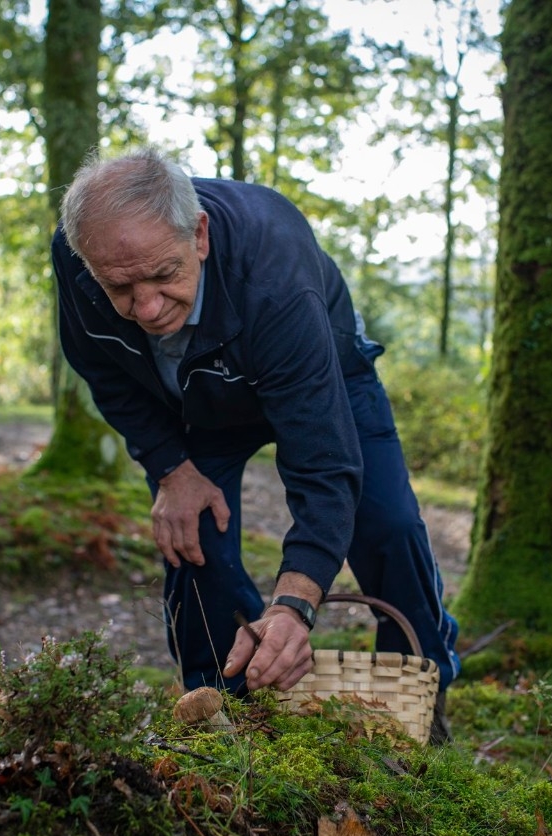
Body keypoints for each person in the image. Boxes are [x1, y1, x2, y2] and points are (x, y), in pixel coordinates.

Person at [51, 147, 460, 741]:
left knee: (388, 524)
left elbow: (323, 465)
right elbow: (101, 369)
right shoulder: (77, 251)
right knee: (196, 542)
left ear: (200, 235)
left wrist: (296, 603)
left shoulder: (274, 271)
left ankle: (419, 692)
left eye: (164, 276)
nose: (145, 308)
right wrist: (170, 468)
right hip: (192, 401)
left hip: (321, 373)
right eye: (121, 287)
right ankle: (224, 704)